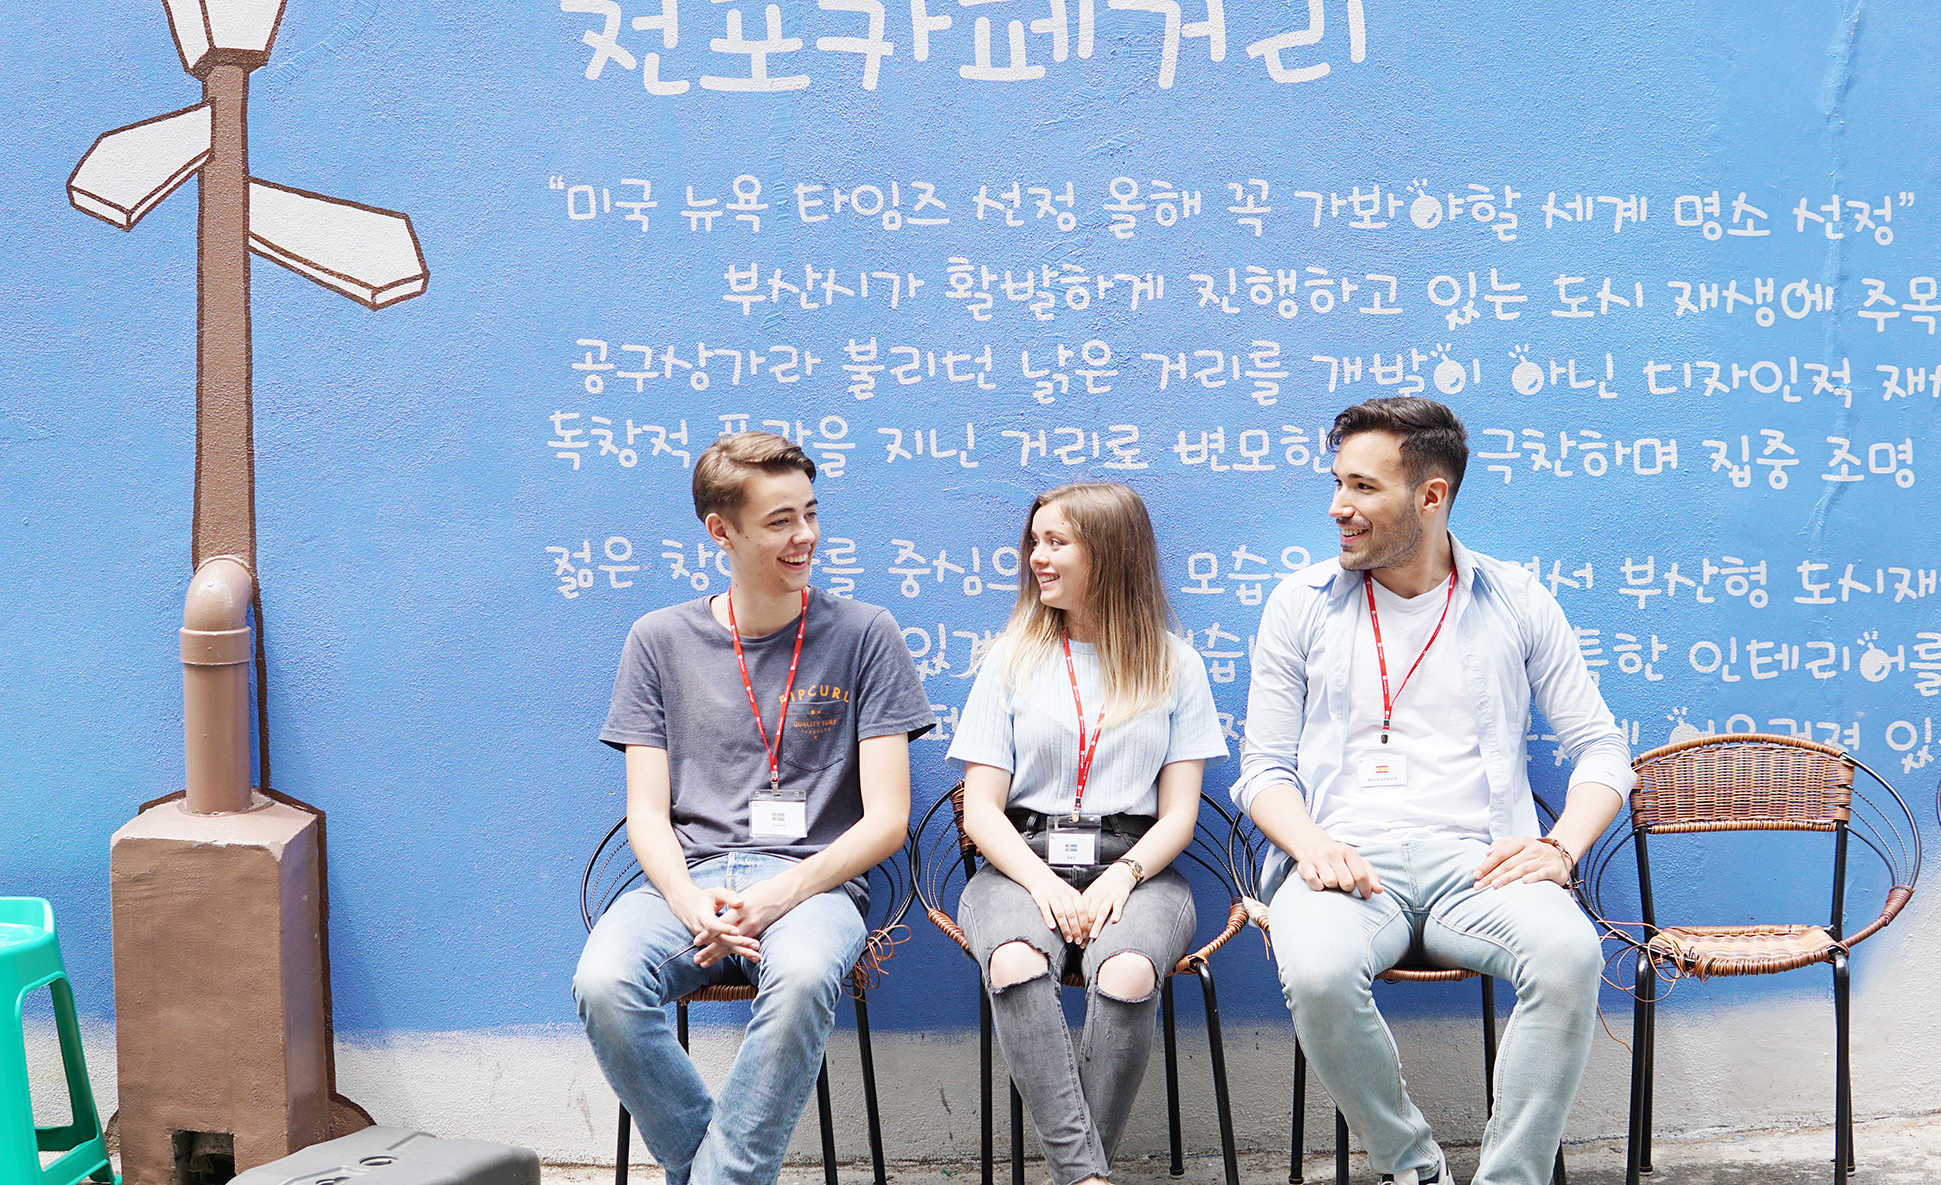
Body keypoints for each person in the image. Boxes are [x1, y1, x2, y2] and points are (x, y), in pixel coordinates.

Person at [1233, 398, 1633, 1185]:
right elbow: (1265, 768)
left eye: (1362, 487)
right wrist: (1312, 845)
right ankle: (1411, 1168)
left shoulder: (1516, 600)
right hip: (1345, 863)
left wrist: (1559, 848)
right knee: (1313, 968)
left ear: (1431, 495)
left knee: (1569, 953)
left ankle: (1509, 1177)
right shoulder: (1300, 603)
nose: (1337, 506)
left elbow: (1602, 749)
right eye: (1337, 481)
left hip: (1480, 862)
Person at [573, 432, 934, 1185]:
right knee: (604, 983)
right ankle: (717, 1167)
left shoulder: (867, 634)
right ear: (721, 531)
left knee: (802, 976)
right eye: (779, 521)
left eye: (809, 513)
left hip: (815, 882)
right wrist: (691, 902)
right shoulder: (658, 639)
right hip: (692, 879)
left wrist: (782, 892)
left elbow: (888, 817)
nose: (804, 536)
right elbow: (647, 811)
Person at [947, 482, 1229, 1185]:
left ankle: (1075, 1174)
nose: (1037, 557)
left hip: (1139, 868)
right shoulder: (1009, 658)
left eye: (1056, 542)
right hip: (1018, 864)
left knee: (1130, 973)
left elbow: (1180, 816)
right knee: (1014, 961)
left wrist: (1120, 877)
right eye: (1035, 541)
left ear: (1110, 550)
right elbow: (981, 809)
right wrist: (1043, 884)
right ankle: (1086, 1176)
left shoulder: (1176, 664)